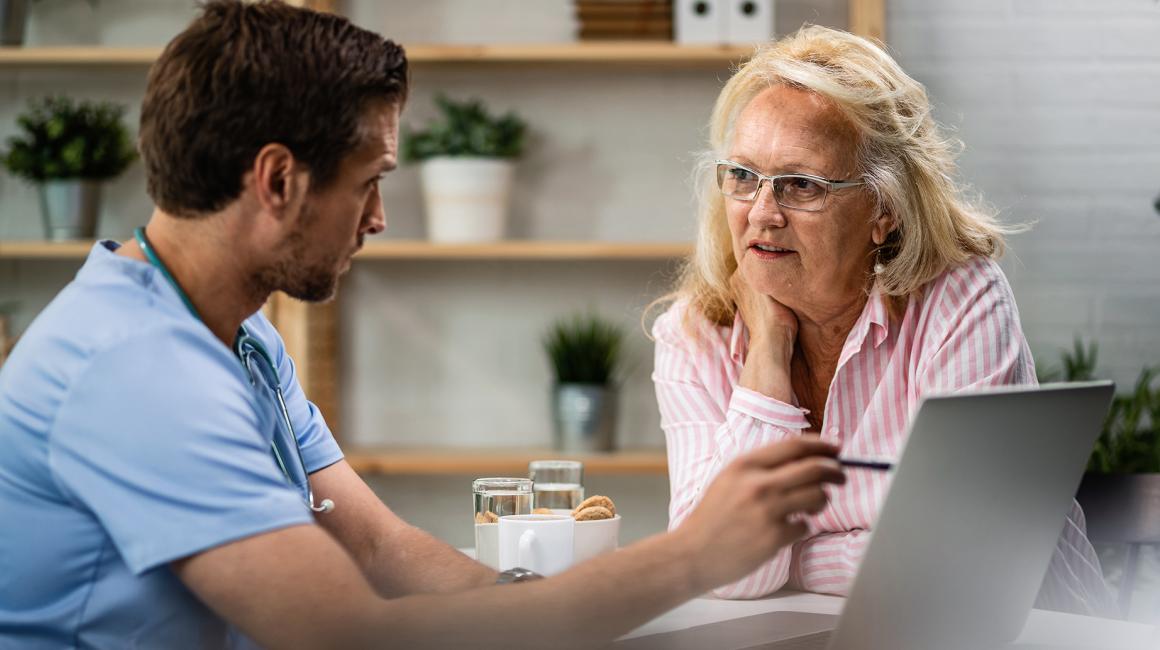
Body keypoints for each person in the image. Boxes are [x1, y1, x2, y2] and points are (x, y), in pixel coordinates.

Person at [0, 2, 849, 649]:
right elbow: (349, 636)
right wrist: (695, 556)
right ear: (277, 182)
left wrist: (516, 596)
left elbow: (372, 543)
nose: (377, 219)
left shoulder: (236, 334)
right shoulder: (137, 370)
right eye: (369, 181)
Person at [651, 25, 1118, 616]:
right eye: (743, 176)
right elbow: (710, 567)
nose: (763, 214)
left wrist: (791, 554)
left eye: (802, 185)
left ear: (885, 211)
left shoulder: (959, 301)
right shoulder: (693, 334)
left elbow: (962, 561)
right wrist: (768, 353)